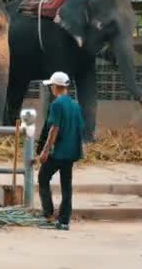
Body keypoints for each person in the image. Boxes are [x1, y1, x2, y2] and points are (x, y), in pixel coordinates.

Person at [35, 71, 84, 231]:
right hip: (71, 152)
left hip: (59, 151)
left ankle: (48, 214)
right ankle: (64, 220)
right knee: (66, 185)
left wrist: (45, 151)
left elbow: (54, 129)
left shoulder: (56, 105)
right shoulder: (75, 105)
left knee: (43, 177)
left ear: (56, 87)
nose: (51, 89)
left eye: (51, 86)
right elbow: (80, 128)